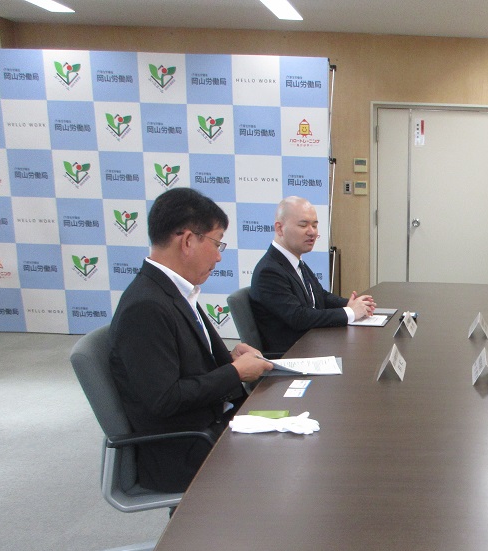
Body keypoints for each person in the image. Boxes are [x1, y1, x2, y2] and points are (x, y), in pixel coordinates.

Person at [110, 187, 273, 493]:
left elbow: (182, 363)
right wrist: (235, 373)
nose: (219, 256)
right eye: (216, 243)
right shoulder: (145, 306)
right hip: (184, 449)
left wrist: (229, 359)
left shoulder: (172, 291)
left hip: (208, 426)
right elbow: (165, 398)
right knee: (292, 455)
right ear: (187, 241)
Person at [250, 196, 376, 354]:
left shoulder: (294, 261)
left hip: (313, 343)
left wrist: (351, 304)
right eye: (303, 225)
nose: (312, 232)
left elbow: (320, 296)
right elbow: (299, 317)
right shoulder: (269, 271)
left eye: (315, 225)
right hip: (293, 354)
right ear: (279, 228)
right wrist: (350, 312)